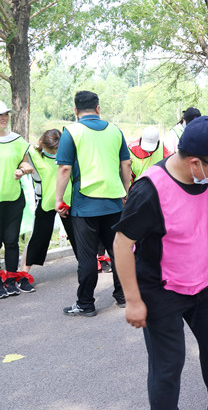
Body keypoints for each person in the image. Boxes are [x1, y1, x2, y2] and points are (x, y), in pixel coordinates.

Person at [113, 116, 208, 410]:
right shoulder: (149, 191)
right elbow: (121, 244)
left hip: (205, 282)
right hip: (162, 290)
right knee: (168, 366)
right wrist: (133, 300)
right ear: (194, 163)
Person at [55, 90, 131, 316]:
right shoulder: (115, 130)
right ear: (98, 108)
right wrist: (125, 192)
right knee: (117, 251)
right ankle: (123, 296)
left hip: (85, 203)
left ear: (75, 110)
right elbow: (126, 164)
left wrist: (59, 199)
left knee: (87, 256)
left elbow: (65, 168)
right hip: (114, 202)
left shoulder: (72, 131)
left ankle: (86, 303)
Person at [18, 130, 78, 293]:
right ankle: (23, 275)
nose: (55, 153)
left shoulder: (69, 152)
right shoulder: (32, 154)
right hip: (45, 203)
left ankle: (88, 266)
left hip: (67, 201)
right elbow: (19, 157)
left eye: (58, 149)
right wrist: (22, 168)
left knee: (78, 235)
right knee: (38, 238)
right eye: (52, 150)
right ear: (41, 144)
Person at [0, 101, 33, 298]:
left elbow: (25, 163)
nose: (4, 118)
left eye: (6, 114)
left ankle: (11, 280)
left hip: (14, 200)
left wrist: (23, 169)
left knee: (11, 241)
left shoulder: (17, 140)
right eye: (0, 115)